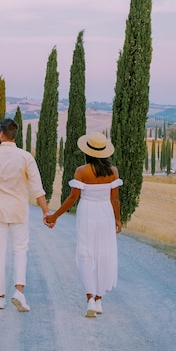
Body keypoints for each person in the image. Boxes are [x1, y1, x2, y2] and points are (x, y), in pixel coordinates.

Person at [0, 118, 50, 312]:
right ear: (15, 135)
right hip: (18, 210)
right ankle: (19, 292)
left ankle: (0, 298)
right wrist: (46, 211)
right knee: (20, 249)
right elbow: (37, 188)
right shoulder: (25, 157)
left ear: (0, 134)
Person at [45, 131, 122, 317]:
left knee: (86, 253)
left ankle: (90, 300)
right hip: (105, 214)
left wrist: (55, 216)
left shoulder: (81, 171)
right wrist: (118, 219)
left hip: (87, 212)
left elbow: (72, 198)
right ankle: (99, 299)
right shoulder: (113, 172)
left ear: (87, 151)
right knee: (103, 253)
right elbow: (115, 200)